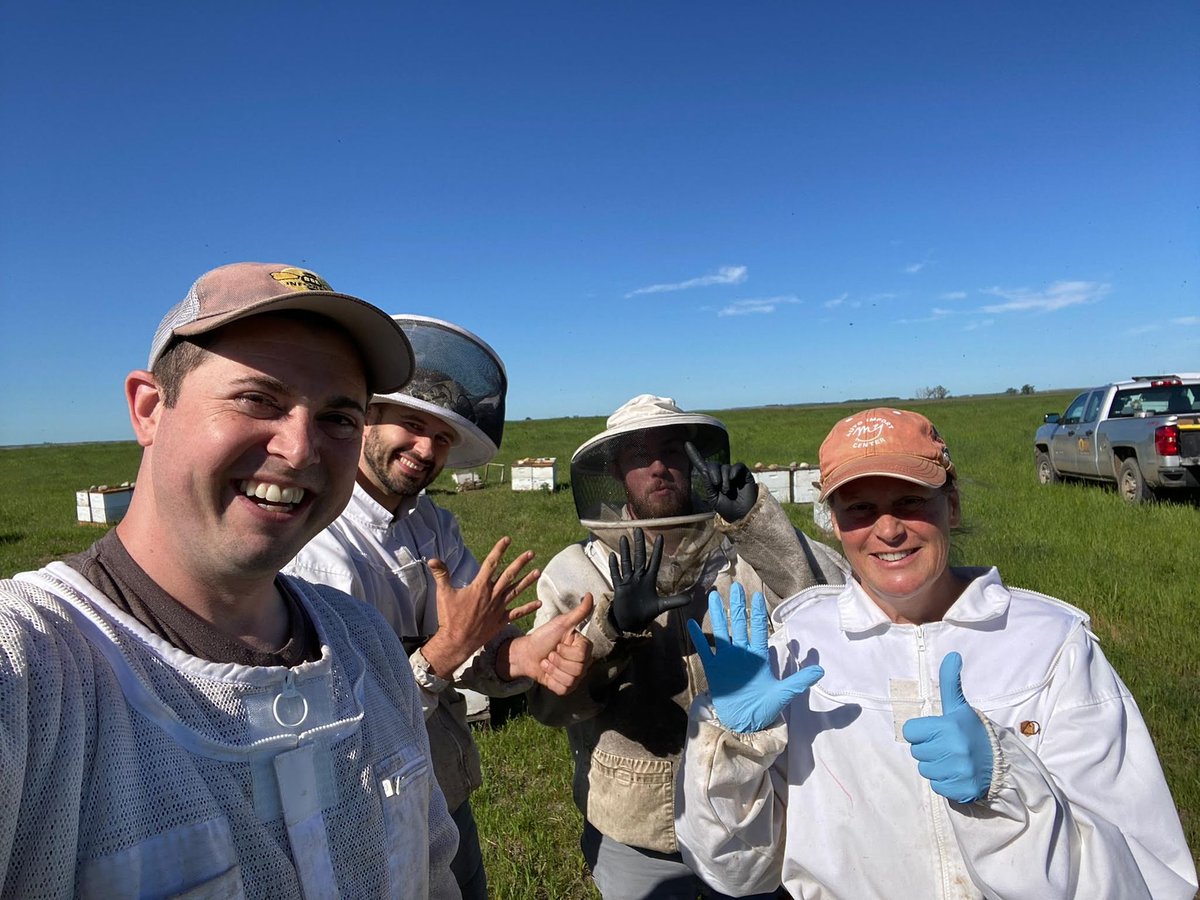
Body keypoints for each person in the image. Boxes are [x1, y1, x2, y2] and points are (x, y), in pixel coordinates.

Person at [0, 263, 461, 898]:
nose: (300, 449)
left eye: (338, 418)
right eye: (258, 399)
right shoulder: (33, 668)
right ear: (151, 408)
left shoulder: (367, 643)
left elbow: (433, 867)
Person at [676, 408, 1199, 899]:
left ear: (951, 503)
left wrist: (1005, 784)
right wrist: (733, 750)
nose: (888, 529)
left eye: (910, 501)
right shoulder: (796, 645)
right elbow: (737, 872)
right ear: (832, 521)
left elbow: (1149, 875)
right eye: (860, 508)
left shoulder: (1049, 645)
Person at [285, 314, 593, 898]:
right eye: (412, 424)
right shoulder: (318, 548)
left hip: (440, 791)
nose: (427, 449)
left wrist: (522, 654)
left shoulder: (431, 521)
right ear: (366, 417)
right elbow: (337, 727)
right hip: (356, 819)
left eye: (445, 438)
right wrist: (447, 650)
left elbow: (478, 645)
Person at [528, 394, 847, 899]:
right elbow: (549, 706)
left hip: (755, 804)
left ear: (693, 459)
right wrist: (609, 630)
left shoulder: (745, 551)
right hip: (638, 829)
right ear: (615, 472)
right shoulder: (576, 573)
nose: (658, 467)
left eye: (672, 451)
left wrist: (761, 526)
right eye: (639, 456)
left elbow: (838, 610)